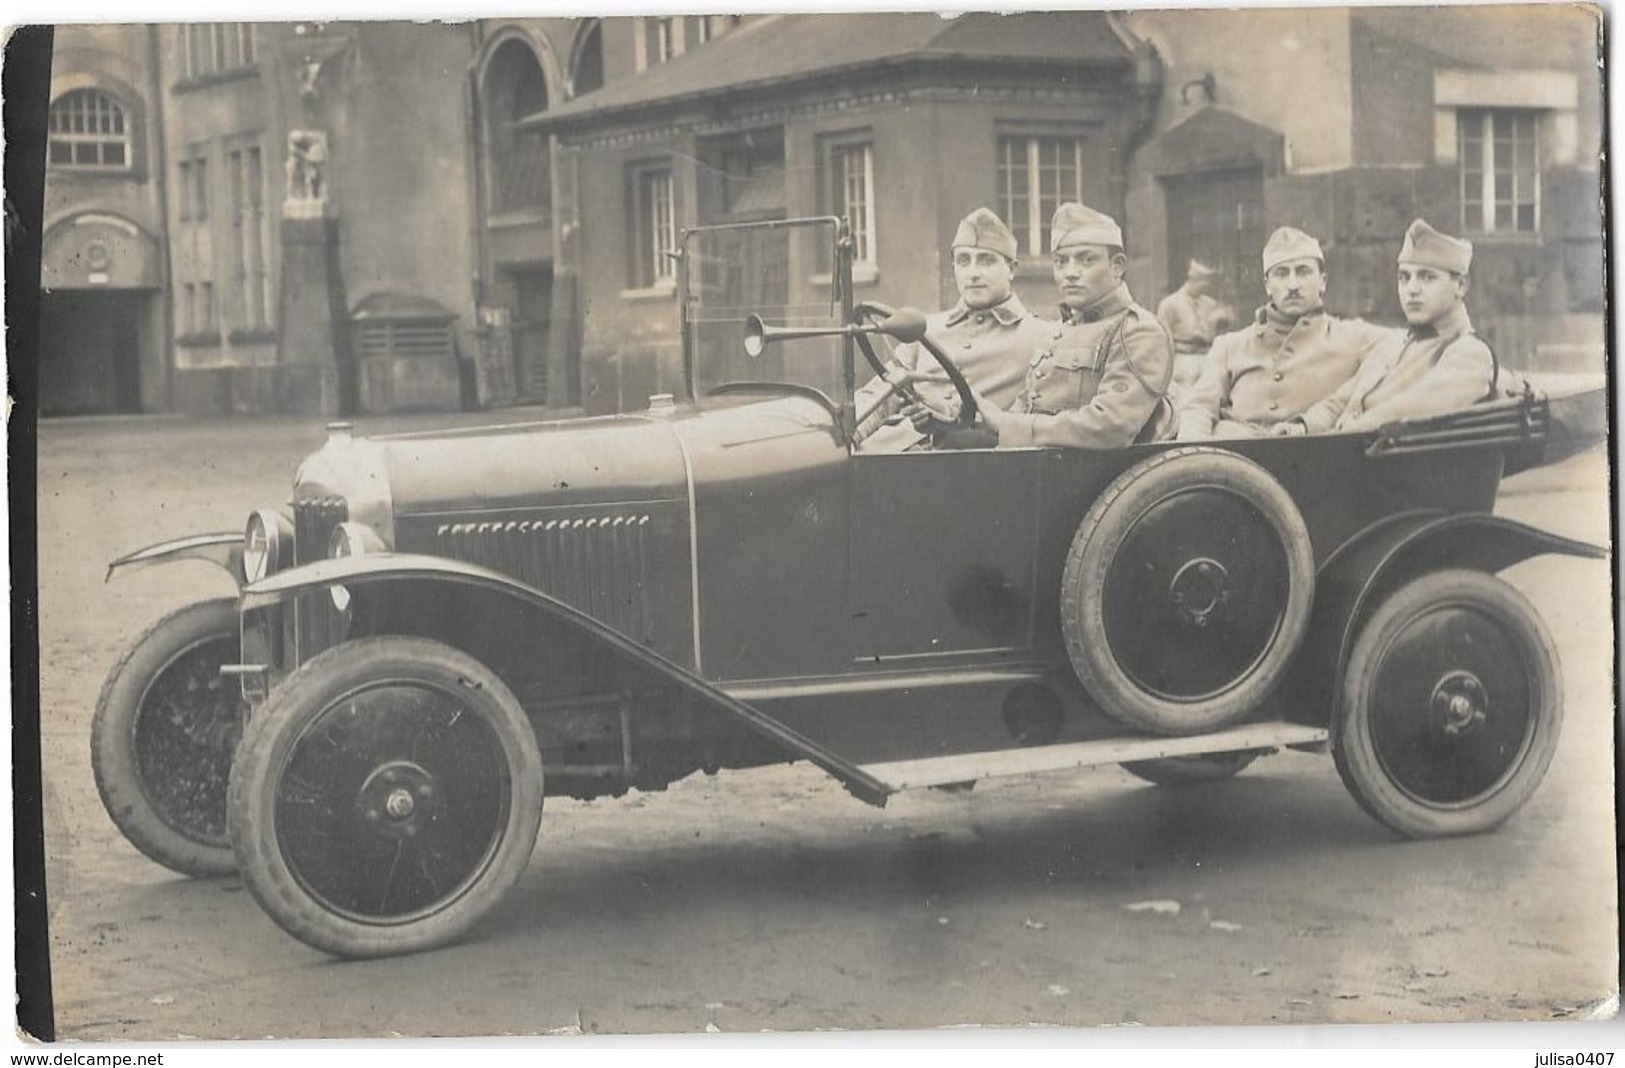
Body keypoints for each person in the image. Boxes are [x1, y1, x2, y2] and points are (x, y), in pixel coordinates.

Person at [945, 202, 1174, 450]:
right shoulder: (1058, 332)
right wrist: (952, 425)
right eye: (1061, 262)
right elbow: (1021, 416)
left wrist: (1006, 424)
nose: (1070, 272)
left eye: (1086, 260)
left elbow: (1111, 426)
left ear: (1116, 266)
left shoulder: (1138, 332)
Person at [853, 207, 1051, 449]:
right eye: (963, 261)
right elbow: (879, 395)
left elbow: (1031, 421)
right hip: (887, 456)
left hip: (964, 469)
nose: (973, 273)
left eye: (986, 261)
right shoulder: (923, 328)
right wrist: (844, 436)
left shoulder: (1041, 336)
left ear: (1011, 269)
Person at [1279, 219, 1496, 435]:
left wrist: (1346, 432)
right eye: (1404, 277)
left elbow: (1412, 409)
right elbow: (1342, 401)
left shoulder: (1469, 352)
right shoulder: (1392, 345)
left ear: (1461, 285)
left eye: (1427, 277)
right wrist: (1303, 426)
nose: (1412, 289)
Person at [1178, 226, 1384, 440]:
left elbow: (1402, 350)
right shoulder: (1229, 346)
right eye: (1282, 273)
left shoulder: (1355, 337)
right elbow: (1198, 409)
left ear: (1323, 281)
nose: (1293, 285)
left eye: (1303, 271)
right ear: (1267, 285)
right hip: (1237, 463)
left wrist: (1323, 415)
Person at [1157, 259, 1233, 389]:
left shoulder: (1210, 304)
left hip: (1207, 358)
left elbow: (1219, 334)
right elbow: (1162, 340)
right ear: (1194, 280)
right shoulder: (1170, 303)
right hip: (1183, 360)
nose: (1207, 286)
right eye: (1205, 282)